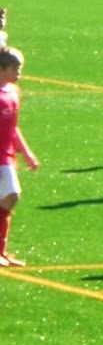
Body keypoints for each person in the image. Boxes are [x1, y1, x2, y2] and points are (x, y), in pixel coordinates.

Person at [0, 47, 41, 267]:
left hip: (6, 156)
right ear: (2, 68)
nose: (19, 73)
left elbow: (13, 127)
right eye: (15, 68)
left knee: (10, 197)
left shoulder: (14, 92)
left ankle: (1, 251)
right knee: (12, 194)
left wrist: (26, 153)